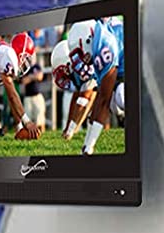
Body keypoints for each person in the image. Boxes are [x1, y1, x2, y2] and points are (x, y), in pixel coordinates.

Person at [51, 19, 123, 153]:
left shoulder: (104, 45)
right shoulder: (95, 44)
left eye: (78, 53)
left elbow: (99, 99)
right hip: (120, 74)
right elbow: (92, 96)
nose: (79, 60)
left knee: (120, 97)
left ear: (87, 40)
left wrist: (87, 146)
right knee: (114, 101)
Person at [15, 33, 48, 127]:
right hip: (28, 96)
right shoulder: (25, 67)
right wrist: (33, 77)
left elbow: (40, 77)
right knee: (28, 120)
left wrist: (30, 77)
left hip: (37, 95)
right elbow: (23, 81)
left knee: (40, 118)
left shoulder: (36, 66)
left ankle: (41, 133)